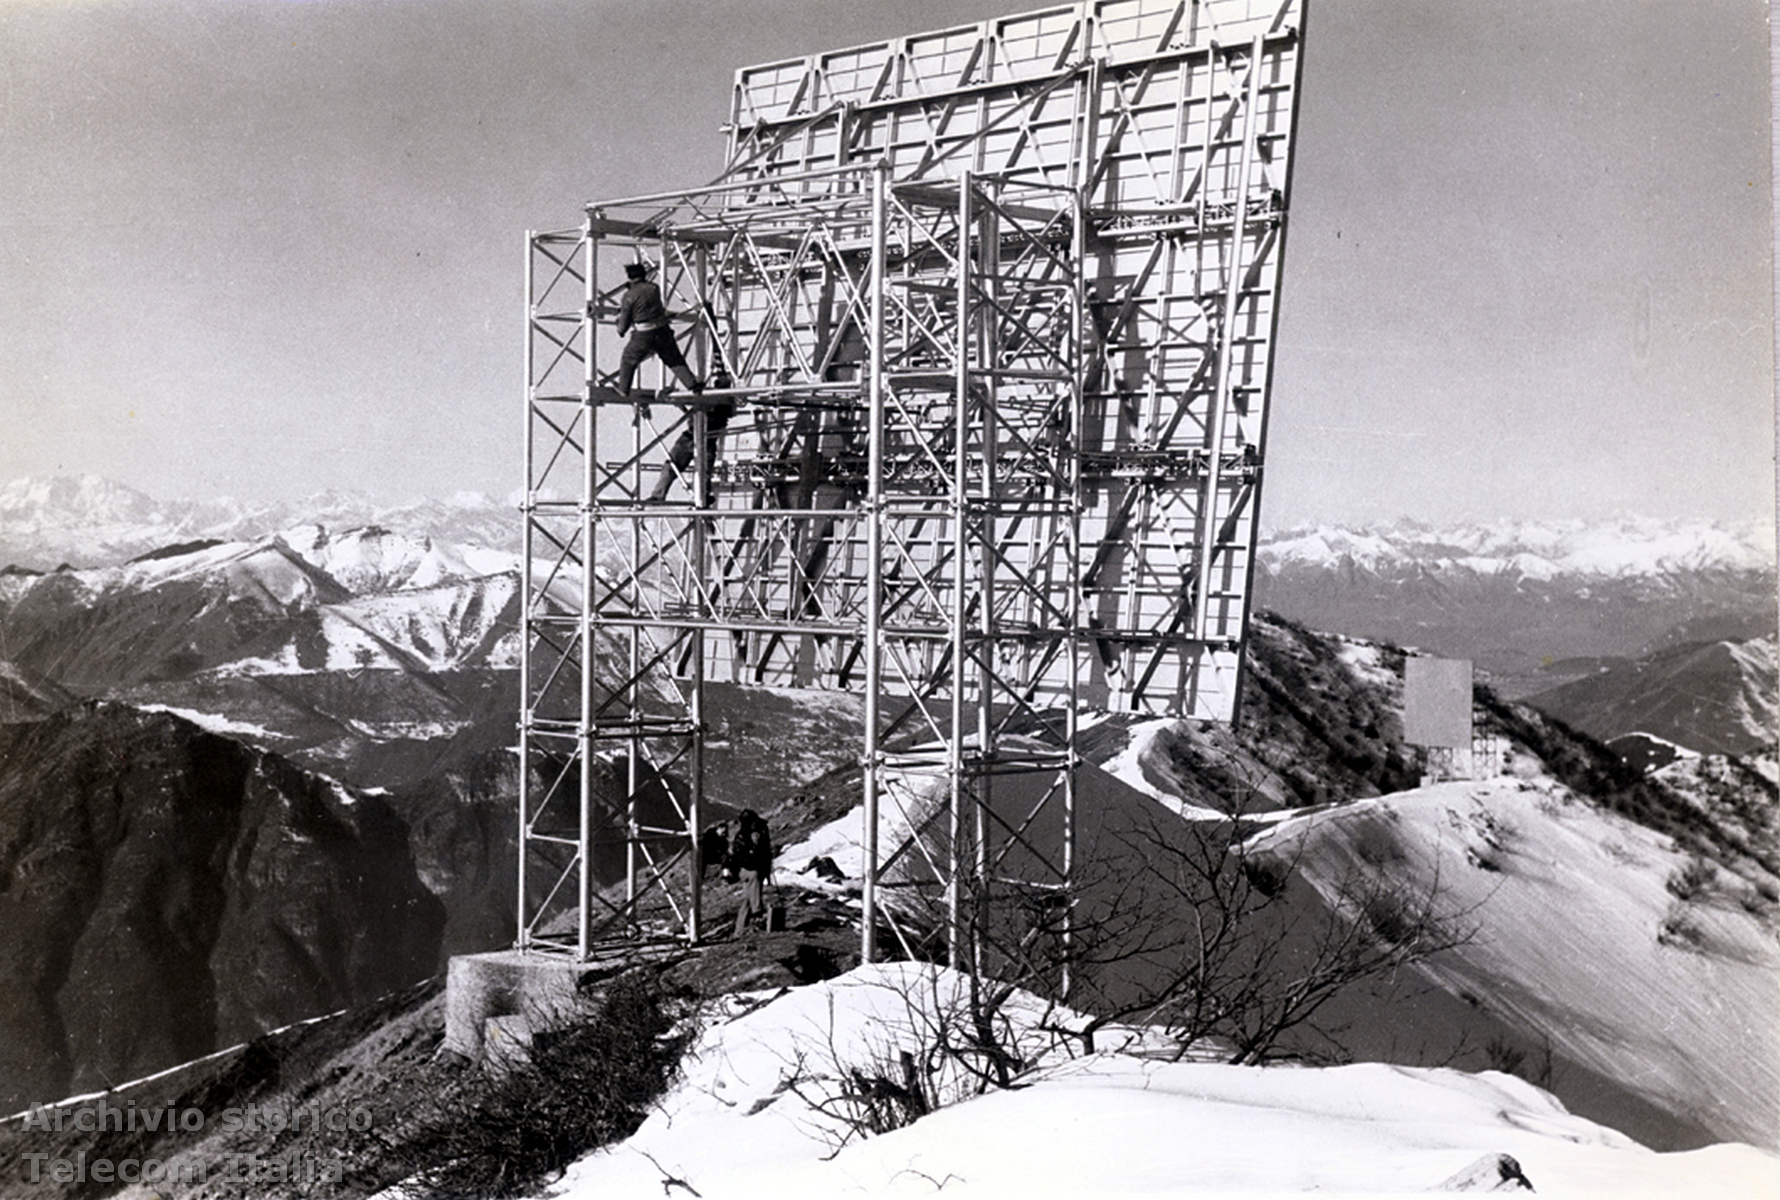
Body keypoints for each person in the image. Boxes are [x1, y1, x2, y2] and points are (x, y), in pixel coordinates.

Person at [613, 261, 701, 402]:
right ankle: (692, 385)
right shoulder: (654, 288)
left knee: (628, 359)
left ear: (629, 277)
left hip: (643, 334)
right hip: (662, 330)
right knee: (674, 359)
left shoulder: (629, 296)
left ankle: (623, 389)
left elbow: (623, 324)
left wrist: (620, 328)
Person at [725, 809, 775, 936]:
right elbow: (744, 858)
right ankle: (757, 913)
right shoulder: (753, 834)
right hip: (750, 869)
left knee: (748, 898)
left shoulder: (745, 835)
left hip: (749, 868)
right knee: (753, 879)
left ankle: (739, 931)